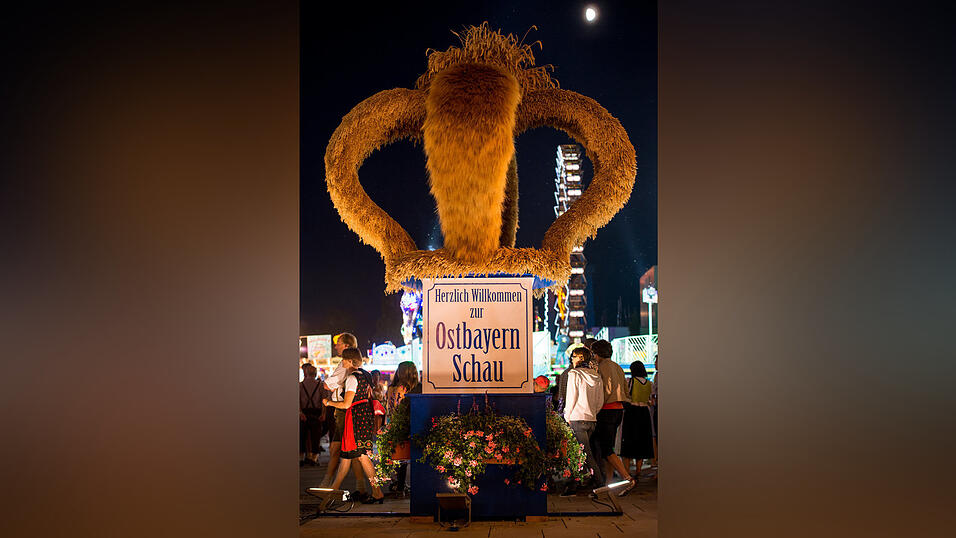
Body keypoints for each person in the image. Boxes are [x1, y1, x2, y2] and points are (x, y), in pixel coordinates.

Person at [322, 347, 385, 503]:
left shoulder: (351, 378)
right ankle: (332, 493)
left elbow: (346, 404)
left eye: (344, 359)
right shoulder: (366, 375)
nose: (342, 362)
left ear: (350, 361)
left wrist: (329, 403)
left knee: (362, 456)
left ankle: (377, 492)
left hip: (355, 418)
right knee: (348, 457)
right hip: (364, 416)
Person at [319, 332, 369, 498]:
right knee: (349, 452)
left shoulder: (345, 366)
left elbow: (328, 385)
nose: (336, 346)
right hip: (347, 411)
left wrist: (329, 402)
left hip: (344, 410)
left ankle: (329, 486)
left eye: (339, 343)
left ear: (347, 346)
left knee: (347, 452)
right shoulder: (358, 371)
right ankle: (361, 487)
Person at [590, 339, 636, 495]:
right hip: (619, 409)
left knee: (606, 449)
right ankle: (608, 484)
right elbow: (625, 390)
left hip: (606, 410)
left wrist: (595, 408)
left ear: (597, 353)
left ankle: (627, 478)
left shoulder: (601, 367)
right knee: (608, 448)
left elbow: (605, 390)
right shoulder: (617, 366)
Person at [559, 346, 604, 497]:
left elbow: (571, 397)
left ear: (580, 358)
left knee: (585, 454)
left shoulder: (574, 374)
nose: (571, 359)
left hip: (577, 418)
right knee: (579, 453)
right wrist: (593, 413)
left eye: (573, 356)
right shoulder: (596, 375)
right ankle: (572, 485)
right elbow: (600, 400)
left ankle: (600, 485)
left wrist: (567, 416)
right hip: (591, 419)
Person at [385, 361, 418, 494]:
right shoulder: (406, 389)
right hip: (403, 424)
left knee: (397, 456)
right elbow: (403, 408)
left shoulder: (391, 388)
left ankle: (398, 484)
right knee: (404, 457)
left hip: (392, 423)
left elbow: (389, 408)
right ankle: (400, 487)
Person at [620, 361, 655, 487]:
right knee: (642, 441)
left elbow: (626, 395)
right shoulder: (649, 383)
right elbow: (651, 400)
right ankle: (638, 471)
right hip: (644, 413)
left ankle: (627, 472)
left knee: (628, 441)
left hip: (632, 413)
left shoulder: (630, 381)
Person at [300, 363, 326, 465]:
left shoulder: (300, 385)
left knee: (302, 436)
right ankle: (313, 458)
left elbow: (297, 400)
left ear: (306, 373)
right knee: (316, 437)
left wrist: (300, 413)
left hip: (304, 413)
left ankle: (301, 457)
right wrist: (323, 413)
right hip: (316, 413)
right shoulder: (320, 385)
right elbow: (324, 400)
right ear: (315, 374)